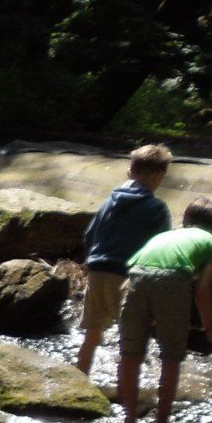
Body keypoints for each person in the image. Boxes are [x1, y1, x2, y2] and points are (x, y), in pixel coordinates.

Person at [116, 197, 212, 423]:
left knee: (130, 356)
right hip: (173, 282)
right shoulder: (211, 242)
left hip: (135, 281)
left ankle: (130, 422)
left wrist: (142, 312)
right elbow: (202, 290)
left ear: (185, 222)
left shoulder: (163, 237)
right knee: (170, 357)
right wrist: (210, 326)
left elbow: (129, 281)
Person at [74, 143, 174, 375]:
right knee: (131, 338)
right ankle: (126, 388)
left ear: (130, 172)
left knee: (92, 334)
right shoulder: (157, 208)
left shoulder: (109, 202)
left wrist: (92, 262)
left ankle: (79, 378)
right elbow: (162, 250)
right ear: (158, 176)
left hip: (97, 271)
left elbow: (89, 235)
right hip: (127, 277)